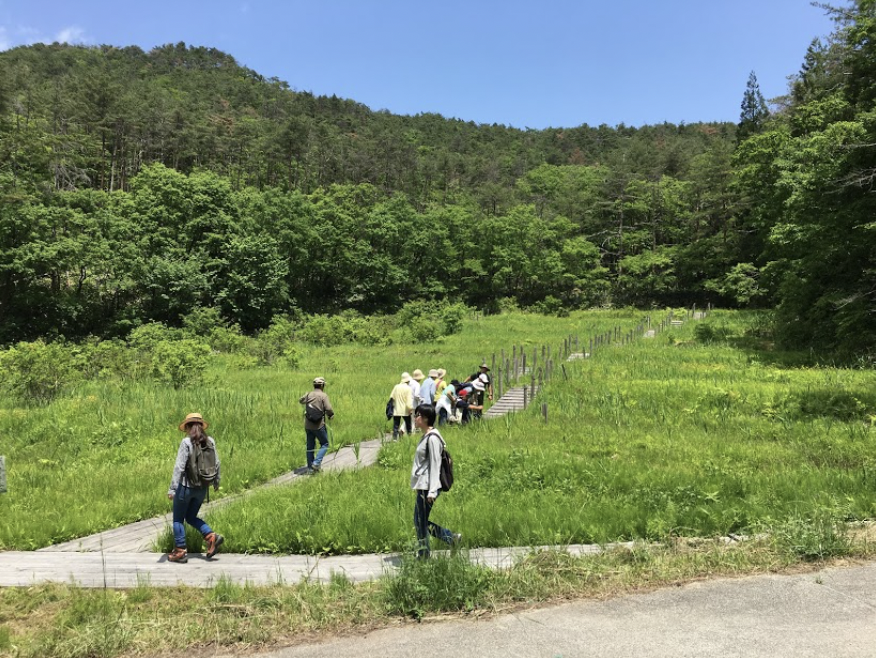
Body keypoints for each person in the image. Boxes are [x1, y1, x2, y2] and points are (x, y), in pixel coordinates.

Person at [167, 413, 224, 564]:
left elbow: (179, 467)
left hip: (185, 488)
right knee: (191, 517)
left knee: (178, 519)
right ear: (201, 426)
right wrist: (216, 482)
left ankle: (180, 551)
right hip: (202, 488)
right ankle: (211, 537)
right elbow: (217, 463)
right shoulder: (210, 441)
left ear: (187, 427)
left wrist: (172, 489)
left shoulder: (186, 442)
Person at [410, 404, 460, 558]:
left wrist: (432, 491)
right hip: (423, 485)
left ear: (425, 418)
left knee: (419, 520)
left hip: (428, 487)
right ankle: (449, 539)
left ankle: (425, 553)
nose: (415, 417)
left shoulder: (433, 438)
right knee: (420, 520)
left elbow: (435, 464)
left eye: (417, 414)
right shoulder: (426, 436)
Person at [299, 376, 334, 474]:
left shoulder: (309, 394)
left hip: (308, 425)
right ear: (322, 385)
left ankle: (310, 469)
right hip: (319, 425)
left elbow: (301, 401)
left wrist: (305, 395)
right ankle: (316, 463)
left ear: (314, 385)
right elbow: (328, 408)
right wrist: (331, 415)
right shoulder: (323, 396)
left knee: (310, 446)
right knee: (325, 444)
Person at [391, 372, 414, 439]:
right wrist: (410, 409)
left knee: (396, 426)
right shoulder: (408, 388)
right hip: (405, 411)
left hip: (397, 410)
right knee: (408, 426)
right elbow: (409, 402)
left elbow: (392, 397)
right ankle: (409, 437)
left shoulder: (396, 387)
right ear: (408, 381)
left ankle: (394, 439)